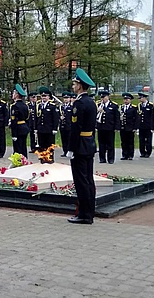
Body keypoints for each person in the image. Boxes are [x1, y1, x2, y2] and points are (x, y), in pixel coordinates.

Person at [66, 68, 97, 225]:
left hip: (80, 146)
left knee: (81, 181)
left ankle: (84, 214)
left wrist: (71, 149)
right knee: (89, 179)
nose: (73, 86)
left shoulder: (79, 103)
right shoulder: (91, 102)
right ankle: (90, 211)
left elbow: (75, 129)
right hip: (89, 144)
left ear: (80, 85)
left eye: (74, 83)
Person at [35, 87, 59, 156]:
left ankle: (50, 160)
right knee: (41, 146)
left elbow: (55, 118)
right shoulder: (38, 105)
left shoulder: (52, 106)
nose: (43, 98)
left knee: (49, 147)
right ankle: (42, 160)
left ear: (49, 97)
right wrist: (35, 128)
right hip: (41, 129)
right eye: (42, 96)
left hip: (49, 130)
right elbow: (37, 118)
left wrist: (55, 128)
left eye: (45, 96)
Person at [96, 90, 118, 164]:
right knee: (101, 144)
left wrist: (116, 127)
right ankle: (102, 158)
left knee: (110, 144)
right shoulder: (98, 105)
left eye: (104, 97)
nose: (102, 99)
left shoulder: (113, 106)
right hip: (101, 127)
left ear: (108, 97)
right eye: (101, 97)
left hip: (109, 127)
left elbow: (116, 117)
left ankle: (110, 158)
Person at [10, 85, 30, 157]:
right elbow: (27, 117)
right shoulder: (25, 105)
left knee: (17, 149)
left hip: (18, 129)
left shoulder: (15, 106)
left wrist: (14, 134)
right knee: (23, 146)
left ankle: (19, 163)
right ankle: (25, 160)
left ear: (17, 95)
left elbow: (14, 121)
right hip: (24, 127)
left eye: (14, 93)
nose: (13, 95)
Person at [118, 93, 138, 161]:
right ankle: (124, 154)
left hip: (130, 127)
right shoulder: (121, 107)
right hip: (123, 127)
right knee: (123, 142)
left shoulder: (134, 108)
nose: (126, 101)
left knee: (130, 142)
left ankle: (130, 155)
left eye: (127, 99)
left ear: (130, 100)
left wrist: (135, 127)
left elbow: (136, 118)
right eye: (124, 99)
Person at [136, 92, 154, 158]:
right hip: (141, 126)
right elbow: (138, 116)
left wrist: (152, 127)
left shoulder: (151, 105)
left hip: (148, 126)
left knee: (148, 140)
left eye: (141, 98)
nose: (140, 99)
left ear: (145, 98)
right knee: (141, 140)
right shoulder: (139, 106)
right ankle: (142, 152)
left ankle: (148, 152)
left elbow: (152, 117)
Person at [59, 92, 73, 156]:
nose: (65, 99)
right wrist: (60, 117)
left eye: (67, 98)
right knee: (63, 139)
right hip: (62, 125)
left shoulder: (72, 107)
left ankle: (69, 151)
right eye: (64, 98)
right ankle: (65, 151)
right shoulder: (61, 107)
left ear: (70, 99)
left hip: (69, 125)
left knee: (69, 139)